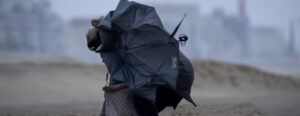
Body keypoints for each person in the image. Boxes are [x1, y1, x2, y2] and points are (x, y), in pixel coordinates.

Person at [86, 0, 196, 116]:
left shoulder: (129, 37)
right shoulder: (122, 44)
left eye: (101, 46)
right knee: (141, 104)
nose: (103, 52)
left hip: (177, 73)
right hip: (173, 73)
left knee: (138, 95)